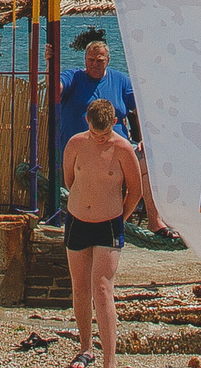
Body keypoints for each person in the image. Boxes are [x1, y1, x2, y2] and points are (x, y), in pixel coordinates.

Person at [58, 97, 144, 368]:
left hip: (108, 223)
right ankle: (85, 347)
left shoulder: (122, 149)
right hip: (78, 219)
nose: (100, 139)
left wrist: (119, 215)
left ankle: (110, 366)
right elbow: (69, 179)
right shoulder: (75, 144)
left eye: (105, 134)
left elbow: (136, 190)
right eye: (96, 134)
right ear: (87, 123)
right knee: (80, 286)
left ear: (114, 124)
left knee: (103, 288)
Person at [54, 32, 168, 235]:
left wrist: (144, 139)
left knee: (147, 158)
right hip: (83, 146)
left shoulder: (120, 80)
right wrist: (50, 65)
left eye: (99, 60)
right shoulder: (74, 77)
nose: (94, 64)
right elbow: (56, 88)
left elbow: (141, 109)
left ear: (108, 60)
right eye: (90, 60)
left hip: (118, 145)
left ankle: (154, 220)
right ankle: (82, 218)